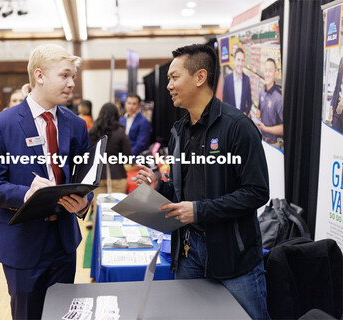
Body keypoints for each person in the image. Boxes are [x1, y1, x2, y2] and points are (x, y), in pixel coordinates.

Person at [136, 44, 270, 320]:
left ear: (199, 77)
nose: (169, 86)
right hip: (187, 250)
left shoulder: (237, 127)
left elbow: (256, 192)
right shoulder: (179, 132)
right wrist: (158, 187)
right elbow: (180, 190)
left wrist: (199, 210)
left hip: (234, 256)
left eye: (174, 77)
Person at [0, 44, 92, 320]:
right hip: (22, 245)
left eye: (73, 77)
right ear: (39, 76)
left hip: (64, 242)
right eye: (65, 75)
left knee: (64, 314)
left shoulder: (75, 125)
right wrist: (26, 193)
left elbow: (83, 179)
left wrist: (82, 203)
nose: (71, 83)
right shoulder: (0, 125)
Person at [89, 102, 132, 211]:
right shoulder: (121, 132)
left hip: (96, 177)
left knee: (99, 211)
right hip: (117, 175)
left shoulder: (92, 133)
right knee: (117, 212)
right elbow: (128, 158)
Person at [255, 58, 283, 148]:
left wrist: (265, 128)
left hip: (274, 143)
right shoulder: (262, 90)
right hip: (261, 139)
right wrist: (256, 118)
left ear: (275, 73)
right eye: (266, 71)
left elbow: (283, 128)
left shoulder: (279, 98)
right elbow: (259, 110)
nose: (267, 74)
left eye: (270, 71)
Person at [222, 47, 252, 115]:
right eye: (238, 60)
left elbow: (250, 102)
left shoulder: (247, 80)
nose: (240, 64)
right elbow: (224, 102)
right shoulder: (227, 79)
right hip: (230, 120)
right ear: (234, 61)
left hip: (241, 121)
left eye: (242, 60)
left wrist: (246, 113)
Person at [329, 57, 343, 133]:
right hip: (338, 111)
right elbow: (337, 88)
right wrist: (331, 106)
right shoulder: (342, 60)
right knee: (335, 138)